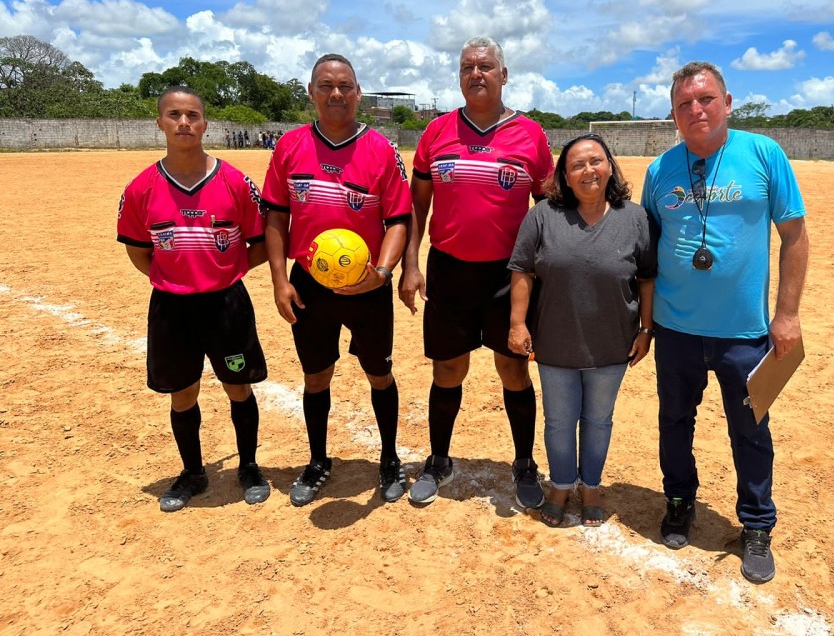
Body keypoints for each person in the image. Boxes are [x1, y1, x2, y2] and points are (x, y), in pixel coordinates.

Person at [641, 61, 809, 583]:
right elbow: (646, 250)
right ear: (672, 114)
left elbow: (795, 237)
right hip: (676, 329)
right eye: (684, 103)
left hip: (744, 332)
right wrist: (645, 324)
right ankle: (678, 502)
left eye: (706, 98)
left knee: (751, 430)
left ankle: (757, 525)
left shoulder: (763, 154)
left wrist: (786, 315)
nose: (697, 109)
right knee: (674, 423)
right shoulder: (659, 171)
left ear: (728, 102)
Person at [399, 36, 554, 507]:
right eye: (467, 67)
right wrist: (410, 263)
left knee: (512, 368)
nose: (476, 74)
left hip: (510, 276)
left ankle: (524, 463)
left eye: (486, 66)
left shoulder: (530, 135)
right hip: (448, 270)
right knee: (448, 368)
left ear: (503, 75)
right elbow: (415, 208)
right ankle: (440, 459)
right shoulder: (436, 132)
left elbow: (548, 208)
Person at [262, 53, 412, 506]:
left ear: (358, 93)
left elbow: (399, 219)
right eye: (326, 85)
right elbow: (276, 216)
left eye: (345, 86)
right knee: (316, 376)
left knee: (378, 372)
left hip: (368, 286)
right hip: (309, 284)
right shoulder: (289, 146)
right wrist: (278, 281)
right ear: (311, 92)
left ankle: (389, 458)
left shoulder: (381, 150)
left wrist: (382, 273)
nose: (336, 94)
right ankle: (318, 461)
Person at [117, 86, 270, 512]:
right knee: (182, 393)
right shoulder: (141, 188)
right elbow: (137, 249)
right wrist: (174, 279)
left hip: (226, 305)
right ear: (160, 123)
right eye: (174, 115)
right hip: (172, 307)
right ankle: (193, 472)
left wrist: (223, 275)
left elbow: (259, 243)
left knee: (237, 387)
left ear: (205, 123)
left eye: (193, 115)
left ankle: (250, 466)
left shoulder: (237, 182)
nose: (184, 123)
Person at [508, 133, 656, 527]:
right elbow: (522, 270)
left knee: (598, 419)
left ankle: (590, 485)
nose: (588, 170)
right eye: (577, 165)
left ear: (610, 165)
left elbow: (646, 278)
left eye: (596, 160)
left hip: (612, 343)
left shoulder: (635, 217)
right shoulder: (543, 216)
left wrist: (646, 329)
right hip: (555, 341)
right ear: (565, 176)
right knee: (558, 420)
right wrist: (518, 323)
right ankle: (559, 484)